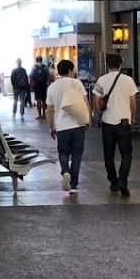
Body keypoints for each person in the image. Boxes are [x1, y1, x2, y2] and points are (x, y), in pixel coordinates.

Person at [94, 53, 138, 197]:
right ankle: (123, 181)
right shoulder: (128, 80)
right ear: (121, 64)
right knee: (126, 154)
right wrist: (134, 117)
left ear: (107, 64)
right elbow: (133, 102)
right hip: (124, 121)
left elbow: (97, 101)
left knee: (108, 155)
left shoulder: (101, 80)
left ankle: (114, 182)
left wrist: (99, 112)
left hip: (108, 122)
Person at [47, 60, 89, 194]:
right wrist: (87, 119)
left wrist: (51, 127)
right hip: (77, 125)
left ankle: (65, 171)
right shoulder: (76, 83)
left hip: (61, 127)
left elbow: (49, 110)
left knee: (63, 152)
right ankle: (74, 185)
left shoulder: (52, 87)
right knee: (77, 154)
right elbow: (85, 102)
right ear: (70, 70)